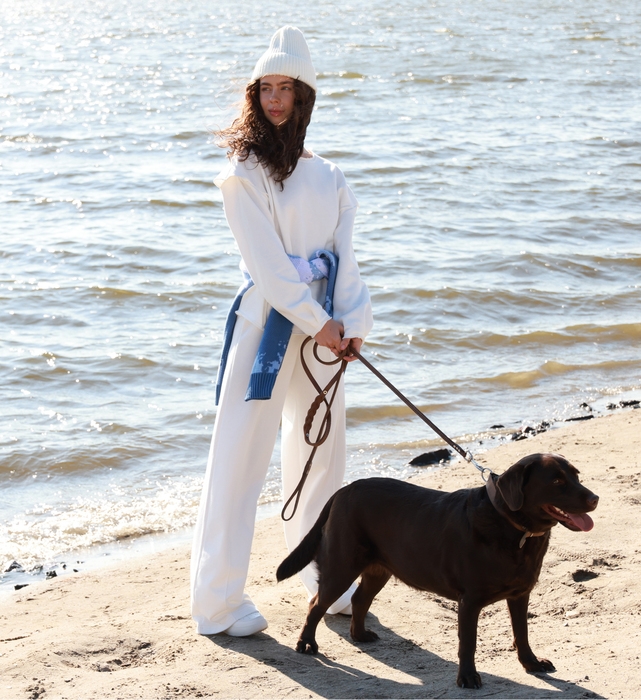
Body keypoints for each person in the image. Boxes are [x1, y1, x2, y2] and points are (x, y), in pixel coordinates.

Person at [190, 26, 373, 637]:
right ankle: (217, 603)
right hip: (268, 328)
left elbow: (346, 261)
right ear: (255, 94)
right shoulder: (243, 172)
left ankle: (325, 576)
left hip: (325, 332)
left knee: (322, 453)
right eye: (265, 87)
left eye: (285, 87)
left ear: (303, 95)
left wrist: (353, 324)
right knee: (239, 459)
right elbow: (269, 269)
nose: (274, 98)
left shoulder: (330, 175)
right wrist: (322, 323)